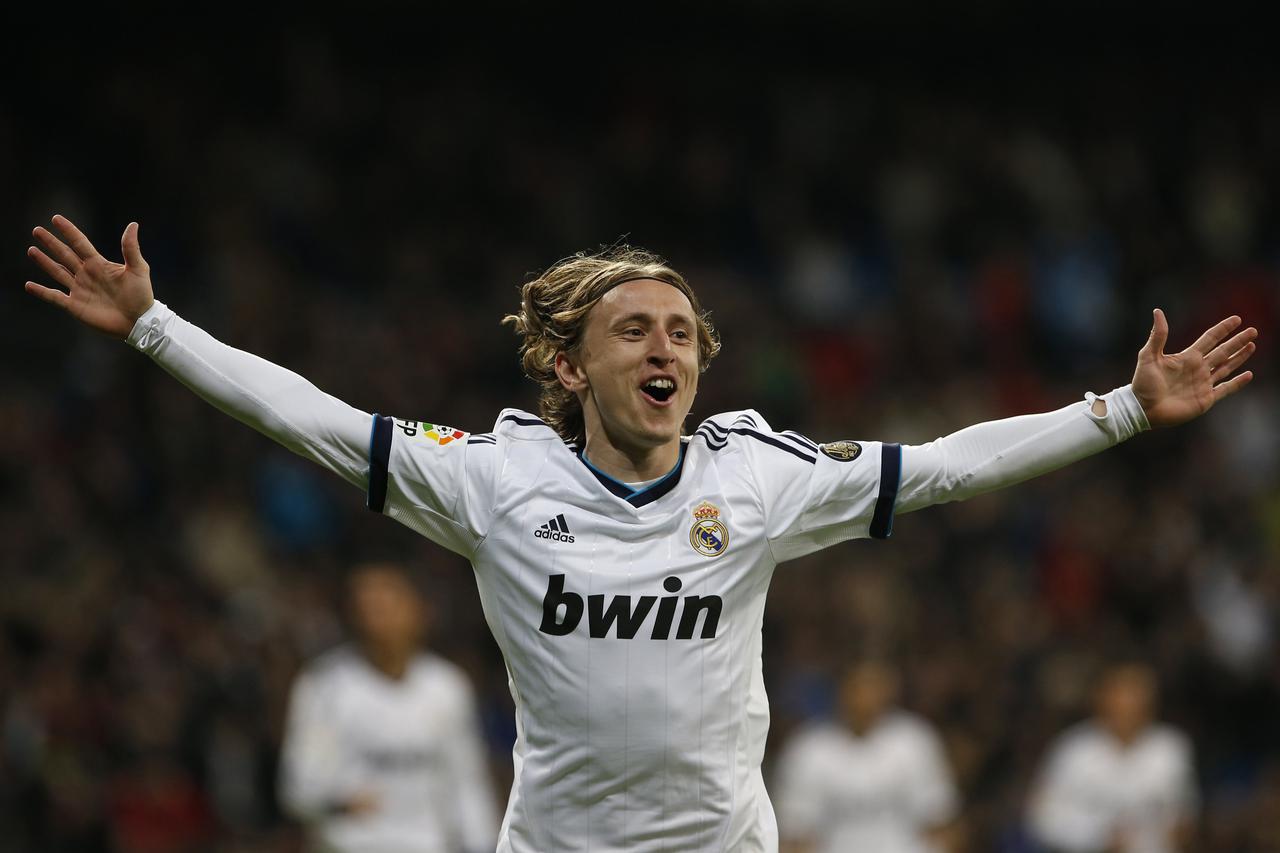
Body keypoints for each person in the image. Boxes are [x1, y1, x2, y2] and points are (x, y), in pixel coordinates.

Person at [24, 215, 1256, 852]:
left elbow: (937, 470)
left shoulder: (757, 474)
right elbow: (320, 425)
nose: (665, 345)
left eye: (680, 329)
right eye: (633, 329)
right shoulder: (493, 477)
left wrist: (1118, 411)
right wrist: (154, 328)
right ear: (569, 363)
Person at [279, 562, 498, 853]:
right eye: (367, 606)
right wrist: (340, 802)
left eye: (388, 603)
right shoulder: (324, 686)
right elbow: (298, 788)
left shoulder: (446, 687)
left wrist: (482, 843)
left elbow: (467, 783)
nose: (377, 616)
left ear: (419, 610)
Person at [774, 660, 959, 853]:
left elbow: (941, 824)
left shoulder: (915, 741)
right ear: (841, 689)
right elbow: (795, 835)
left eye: (873, 686)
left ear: (888, 690)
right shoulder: (808, 749)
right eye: (857, 686)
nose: (864, 697)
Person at [1027, 663, 1198, 853]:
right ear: (1102, 699)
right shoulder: (1074, 751)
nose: (1130, 705)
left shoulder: (1170, 747)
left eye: (1139, 696)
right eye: (1123, 695)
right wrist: (1098, 837)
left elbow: (1183, 806)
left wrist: (1182, 826)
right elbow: (1042, 820)